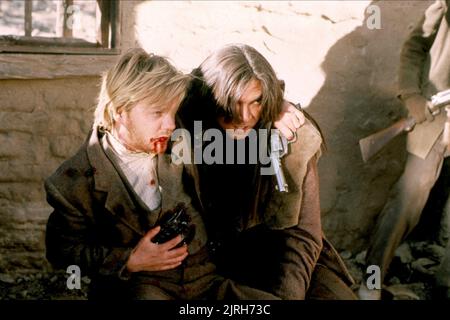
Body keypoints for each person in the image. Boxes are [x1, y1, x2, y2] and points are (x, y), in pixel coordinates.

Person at [44, 48, 279, 300]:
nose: (169, 124)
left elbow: (234, 86)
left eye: (172, 112)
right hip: (141, 286)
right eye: (157, 113)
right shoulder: (73, 182)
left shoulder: (181, 135)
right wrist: (129, 260)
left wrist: (280, 107)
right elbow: (64, 254)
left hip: (207, 280)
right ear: (119, 112)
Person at [177, 44, 356, 300]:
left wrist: (287, 295)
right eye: (234, 103)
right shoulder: (181, 126)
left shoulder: (292, 137)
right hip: (207, 264)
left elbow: (303, 234)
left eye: (257, 101)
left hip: (277, 256)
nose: (245, 116)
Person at [359, 0, 450, 300]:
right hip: (435, 115)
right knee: (408, 198)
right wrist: (412, 95)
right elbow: (415, 46)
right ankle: (370, 283)